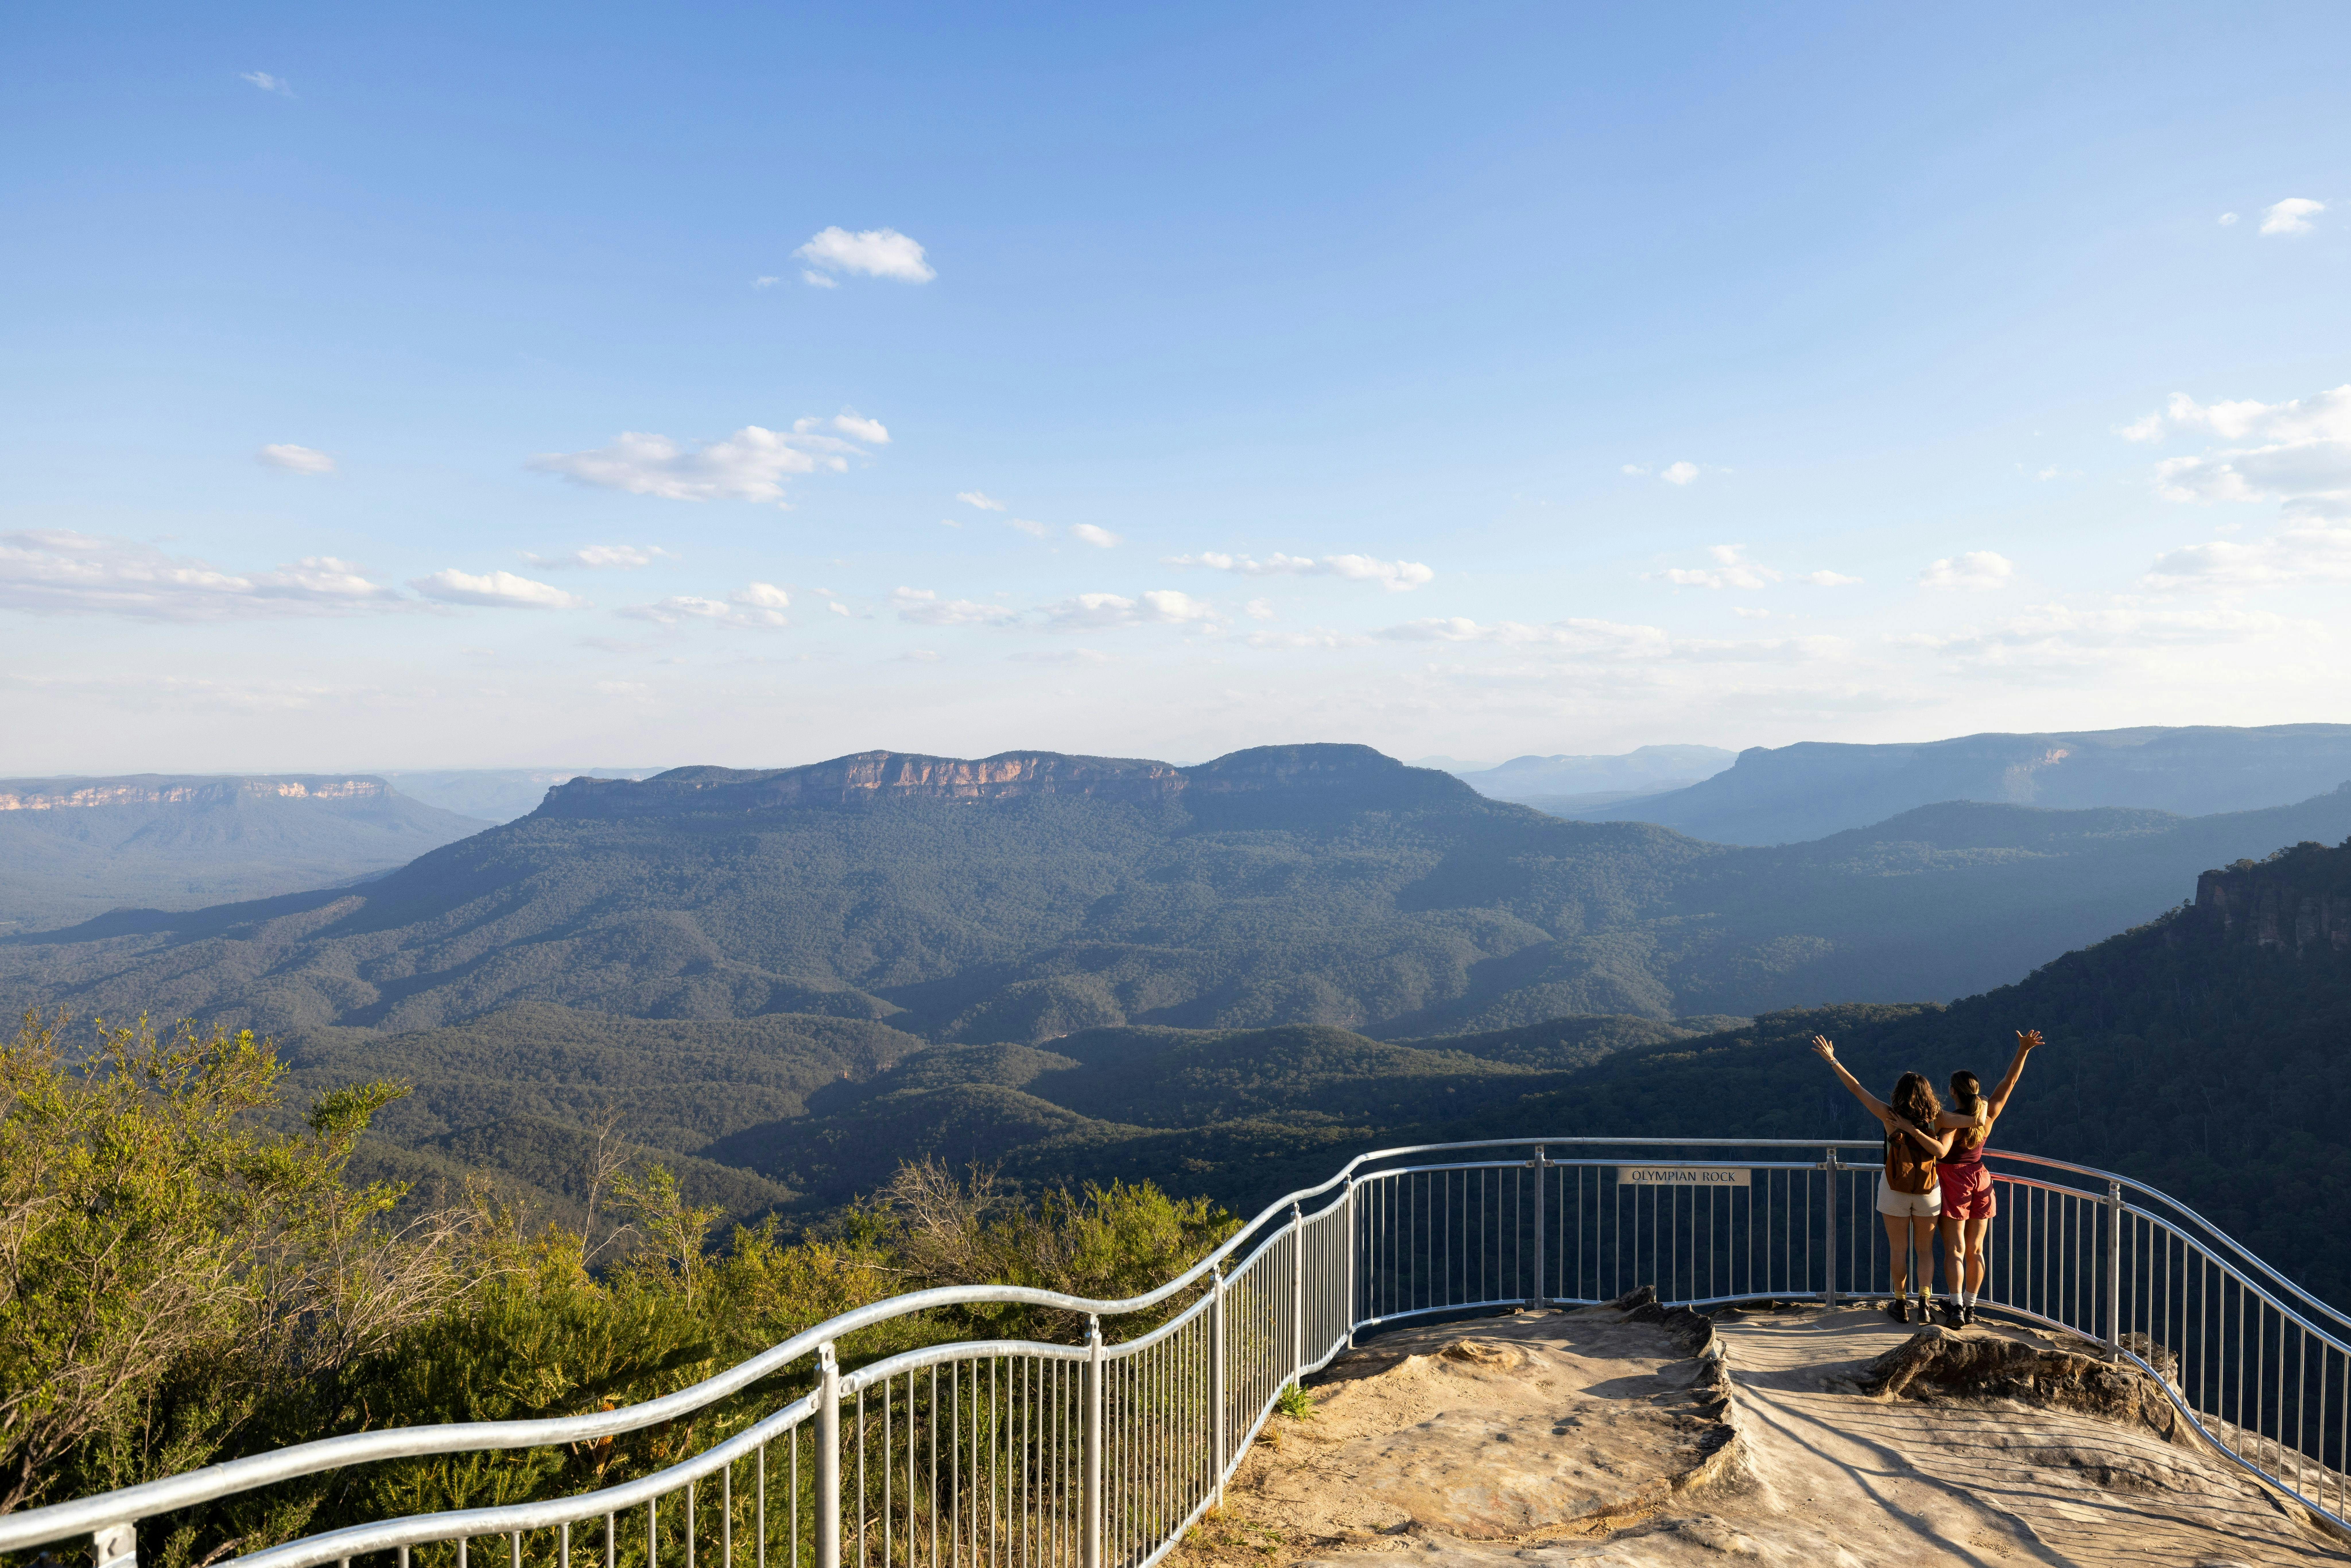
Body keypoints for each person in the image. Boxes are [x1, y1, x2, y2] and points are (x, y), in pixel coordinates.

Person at [1810, 1035, 1959, 1323]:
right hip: (1928, 1190)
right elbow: (1971, 1123)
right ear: (1928, 1093)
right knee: (1925, 1249)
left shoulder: (1888, 1115)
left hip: (1893, 1188)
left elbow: (1855, 1088)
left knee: (1898, 1248)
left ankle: (1901, 1304)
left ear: (1899, 1092)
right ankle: (1925, 1305)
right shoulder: (1939, 1119)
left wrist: (1832, 1060)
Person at [1931, 1029, 2043, 1326]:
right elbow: (2009, 1083)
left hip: (1952, 1180)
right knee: (1976, 1249)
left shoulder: (1946, 1121)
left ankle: (1954, 1308)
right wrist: (2023, 1050)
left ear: (1953, 1092)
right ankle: (1970, 1307)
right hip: (1980, 1179)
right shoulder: (1987, 1116)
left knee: (1953, 1248)